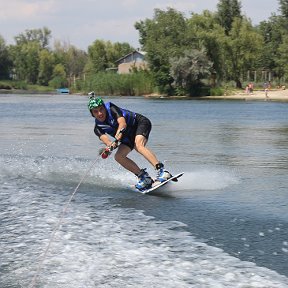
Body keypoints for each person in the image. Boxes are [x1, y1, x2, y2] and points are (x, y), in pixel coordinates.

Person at [87, 92, 172, 191]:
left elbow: (122, 123)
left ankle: (162, 171)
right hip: (127, 136)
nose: (100, 113)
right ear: (92, 114)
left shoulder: (111, 108)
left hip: (140, 124)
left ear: (104, 108)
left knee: (138, 145)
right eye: (95, 111)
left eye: (101, 109)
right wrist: (110, 147)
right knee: (118, 156)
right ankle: (144, 177)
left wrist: (119, 134)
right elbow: (108, 142)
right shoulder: (97, 129)